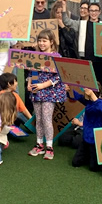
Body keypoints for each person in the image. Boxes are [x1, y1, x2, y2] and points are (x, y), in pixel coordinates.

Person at [27, 30, 64, 160]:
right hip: (36, 92)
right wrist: (29, 83)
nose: (42, 43)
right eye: (40, 41)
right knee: (38, 119)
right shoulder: (36, 55)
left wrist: (43, 85)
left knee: (46, 119)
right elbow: (31, 72)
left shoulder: (56, 56)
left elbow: (59, 76)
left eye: (44, 41)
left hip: (50, 93)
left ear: (51, 42)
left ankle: (49, 146)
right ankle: (39, 144)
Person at [59, 1, 102, 97]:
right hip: (86, 60)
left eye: (96, 10)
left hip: (100, 61)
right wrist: (64, 6)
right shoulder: (81, 24)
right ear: (89, 12)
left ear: (99, 12)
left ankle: (101, 103)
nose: (93, 13)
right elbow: (67, 21)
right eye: (91, 10)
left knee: (101, 84)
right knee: (86, 86)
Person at [70, 87, 102, 172]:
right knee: (75, 162)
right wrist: (69, 90)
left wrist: (93, 96)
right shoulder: (88, 102)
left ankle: (93, 157)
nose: (84, 92)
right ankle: (89, 156)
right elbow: (77, 96)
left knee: (94, 168)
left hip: (96, 140)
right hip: (87, 138)